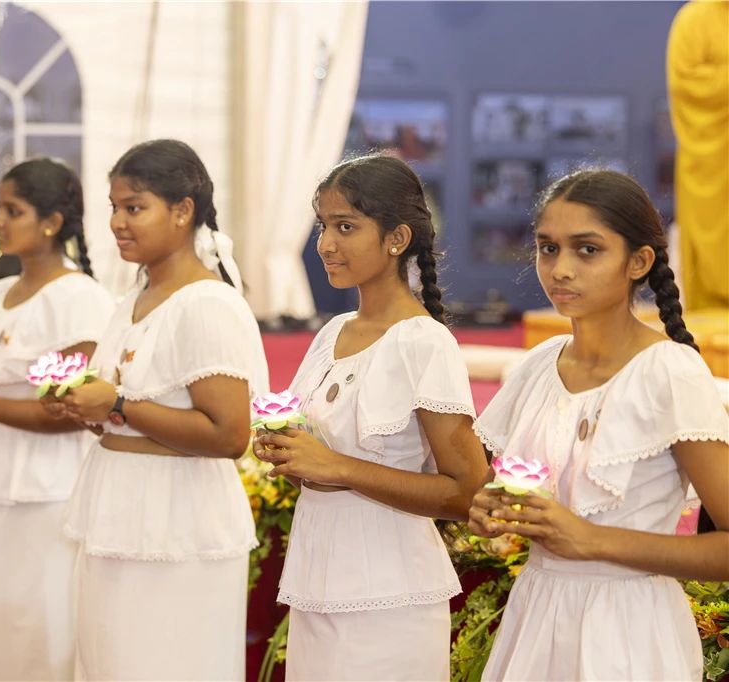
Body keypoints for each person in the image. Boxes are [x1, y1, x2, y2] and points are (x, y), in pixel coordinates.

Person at [468, 169, 729, 681]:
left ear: (639, 261)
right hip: (536, 615)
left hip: (629, 630)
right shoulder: (538, 365)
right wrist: (490, 509)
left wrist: (593, 539)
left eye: (587, 250)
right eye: (548, 248)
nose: (560, 269)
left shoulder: (669, 371)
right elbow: (503, 492)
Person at [255, 154, 488, 681]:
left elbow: (465, 490)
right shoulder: (331, 333)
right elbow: (314, 454)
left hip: (391, 596)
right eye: (323, 226)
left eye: (346, 226)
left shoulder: (423, 341)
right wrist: (287, 453)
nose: (325, 244)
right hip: (317, 584)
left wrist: (336, 467)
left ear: (396, 238)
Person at [61, 140, 268, 680]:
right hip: (118, 498)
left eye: (134, 207)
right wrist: (87, 405)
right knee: (111, 659)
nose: (117, 223)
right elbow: (119, 400)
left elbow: (228, 435)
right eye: (113, 207)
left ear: (183, 211)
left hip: (178, 516)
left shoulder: (208, 303)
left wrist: (120, 404)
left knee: (165, 660)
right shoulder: (131, 301)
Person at [0, 158, 113, 681]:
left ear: (52, 221)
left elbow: (77, 409)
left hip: (47, 484)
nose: (0, 220)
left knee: (38, 618)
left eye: (15, 210)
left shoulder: (79, 298)